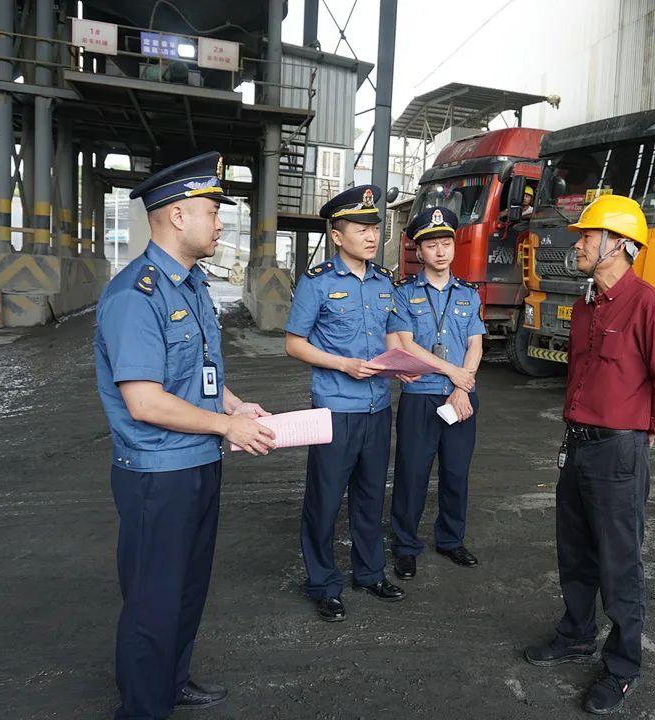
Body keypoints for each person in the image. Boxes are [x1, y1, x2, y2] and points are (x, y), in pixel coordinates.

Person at [94, 151, 277, 719]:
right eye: (212, 210)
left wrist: (233, 403)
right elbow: (144, 400)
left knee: (187, 590)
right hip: (157, 474)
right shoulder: (136, 295)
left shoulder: (192, 286)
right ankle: (144, 709)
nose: (220, 222)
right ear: (176, 216)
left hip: (198, 462)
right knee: (154, 601)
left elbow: (195, 375)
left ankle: (171, 681)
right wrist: (227, 425)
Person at [522, 195, 655, 715]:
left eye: (589, 236)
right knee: (574, 551)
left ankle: (622, 667)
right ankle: (576, 635)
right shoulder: (588, 304)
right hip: (578, 443)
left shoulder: (649, 305)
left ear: (619, 244)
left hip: (619, 450)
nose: (580, 243)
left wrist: (651, 429)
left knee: (619, 564)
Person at [284, 184, 409, 622]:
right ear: (337, 236)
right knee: (325, 497)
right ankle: (322, 582)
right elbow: (294, 344)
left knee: (371, 495)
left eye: (375, 226)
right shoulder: (317, 283)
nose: (372, 235)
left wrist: (402, 366)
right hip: (335, 407)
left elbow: (392, 336)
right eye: (360, 227)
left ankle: (370, 573)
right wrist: (342, 364)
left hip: (378, 406)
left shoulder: (384, 282)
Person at [388, 207, 484, 580]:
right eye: (432, 245)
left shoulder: (468, 294)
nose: (441, 251)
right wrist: (454, 375)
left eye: (446, 243)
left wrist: (463, 385)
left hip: (461, 397)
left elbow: (475, 344)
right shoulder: (404, 294)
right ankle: (405, 546)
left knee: (456, 473)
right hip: (421, 397)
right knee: (412, 474)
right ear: (419, 250)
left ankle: (450, 540)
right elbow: (407, 347)